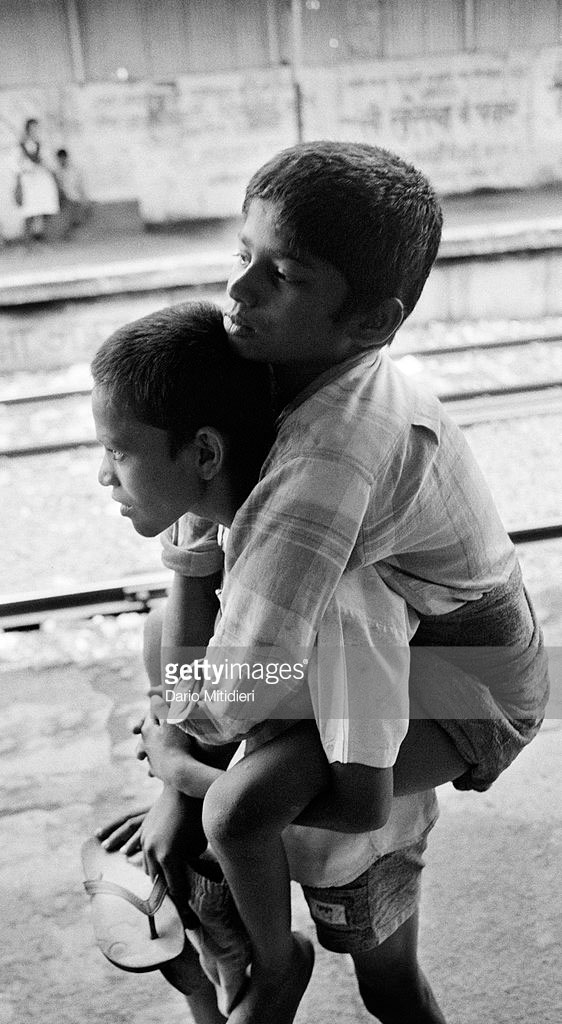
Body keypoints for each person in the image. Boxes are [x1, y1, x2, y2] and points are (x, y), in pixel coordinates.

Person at [100, 141, 549, 1024]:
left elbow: (229, 687)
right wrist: (177, 749)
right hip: (400, 643)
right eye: (244, 258)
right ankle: (253, 942)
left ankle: (275, 971)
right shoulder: (291, 364)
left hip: (470, 685)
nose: (239, 294)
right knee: (172, 652)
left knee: (239, 803)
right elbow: (204, 530)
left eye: (286, 275)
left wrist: (175, 761)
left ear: (371, 320)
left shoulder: (323, 468)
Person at [91, 300, 443, 1024]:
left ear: (206, 456)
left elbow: (353, 795)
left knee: (389, 986)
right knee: (230, 969)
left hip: (355, 841)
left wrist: (179, 774)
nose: (104, 475)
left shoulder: (338, 606)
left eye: (118, 451)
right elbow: (185, 706)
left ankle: (274, 972)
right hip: (242, 849)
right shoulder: (183, 606)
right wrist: (173, 792)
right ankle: (260, 971)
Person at [15, 118, 59, 248]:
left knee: (44, 210)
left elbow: (50, 163)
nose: (35, 131)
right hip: (29, 182)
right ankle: (27, 243)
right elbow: (17, 165)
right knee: (29, 211)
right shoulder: (21, 147)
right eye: (33, 128)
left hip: (42, 181)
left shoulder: (43, 145)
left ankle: (40, 239)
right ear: (28, 129)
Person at [54, 147, 87, 237]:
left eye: (62, 158)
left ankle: (70, 232)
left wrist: (83, 197)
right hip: (64, 198)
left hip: (73, 197)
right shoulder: (57, 172)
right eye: (60, 159)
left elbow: (79, 185)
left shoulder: (74, 170)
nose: (61, 161)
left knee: (75, 212)